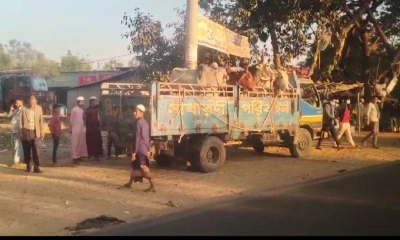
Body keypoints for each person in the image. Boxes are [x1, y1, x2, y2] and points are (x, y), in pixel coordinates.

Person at [123, 104, 156, 192]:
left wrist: (134, 151)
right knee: (135, 166)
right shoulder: (145, 122)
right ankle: (130, 183)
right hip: (144, 147)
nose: (134, 113)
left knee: (143, 167)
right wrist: (148, 148)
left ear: (141, 113)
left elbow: (138, 138)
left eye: (136, 111)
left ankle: (153, 185)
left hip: (140, 149)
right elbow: (146, 137)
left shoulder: (138, 123)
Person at [19, 95, 44, 173]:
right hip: (26, 132)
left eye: (33, 103)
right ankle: (28, 166)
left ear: (36, 102)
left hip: (35, 132)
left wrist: (42, 132)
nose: (32, 105)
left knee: (36, 151)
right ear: (28, 102)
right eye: (30, 103)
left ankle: (37, 167)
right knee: (26, 150)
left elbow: (41, 121)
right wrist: (20, 133)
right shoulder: (23, 109)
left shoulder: (39, 108)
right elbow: (20, 122)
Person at [70, 96, 88, 163]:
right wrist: (70, 128)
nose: (82, 103)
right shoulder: (74, 109)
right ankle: (75, 157)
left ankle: (79, 156)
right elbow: (71, 120)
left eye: (83, 102)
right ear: (78, 102)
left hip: (81, 129)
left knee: (81, 143)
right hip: (75, 129)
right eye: (81, 102)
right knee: (75, 144)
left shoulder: (81, 110)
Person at [85, 96, 103, 160]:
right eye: (95, 101)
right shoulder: (88, 110)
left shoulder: (97, 109)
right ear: (91, 102)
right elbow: (89, 121)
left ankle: (97, 155)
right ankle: (91, 155)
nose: (96, 102)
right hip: (91, 129)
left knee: (98, 142)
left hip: (97, 129)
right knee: (91, 142)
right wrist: (95, 127)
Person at [8, 98, 24, 165]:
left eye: (17, 103)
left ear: (21, 102)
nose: (16, 104)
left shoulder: (23, 110)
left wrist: (21, 131)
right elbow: (9, 116)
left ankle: (17, 160)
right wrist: (11, 110)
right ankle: (17, 159)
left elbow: (22, 121)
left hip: (18, 130)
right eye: (15, 103)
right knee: (14, 145)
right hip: (13, 130)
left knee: (17, 145)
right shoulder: (16, 110)